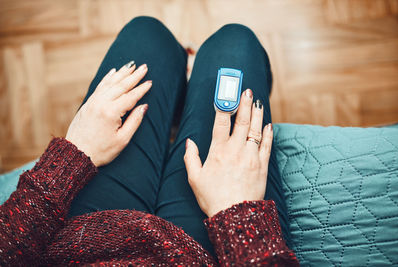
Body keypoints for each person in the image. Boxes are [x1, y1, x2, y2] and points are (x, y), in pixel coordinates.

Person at [0, 16, 298, 266]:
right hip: (209, 253)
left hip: (82, 241)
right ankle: (186, 97)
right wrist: (239, 217)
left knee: (147, 33)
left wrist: (71, 157)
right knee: (235, 42)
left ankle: (178, 99)